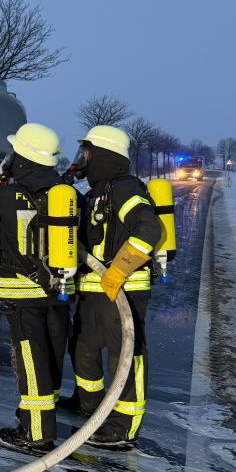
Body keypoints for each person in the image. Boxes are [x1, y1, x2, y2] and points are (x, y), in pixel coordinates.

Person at [0, 123, 79, 454]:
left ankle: (35, 434)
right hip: (60, 294)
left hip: (23, 298)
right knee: (51, 358)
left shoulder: (6, 197)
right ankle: (39, 418)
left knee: (30, 362)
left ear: (23, 157)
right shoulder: (67, 195)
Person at [62, 125, 162, 449]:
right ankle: (92, 412)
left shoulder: (125, 188)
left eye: (87, 152)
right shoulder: (97, 192)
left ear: (102, 154)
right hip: (94, 290)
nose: (83, 158)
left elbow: (149, 229)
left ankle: (123, 428)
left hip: (123, 290)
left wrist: (118, 270)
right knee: (83, 351)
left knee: (125, 358)